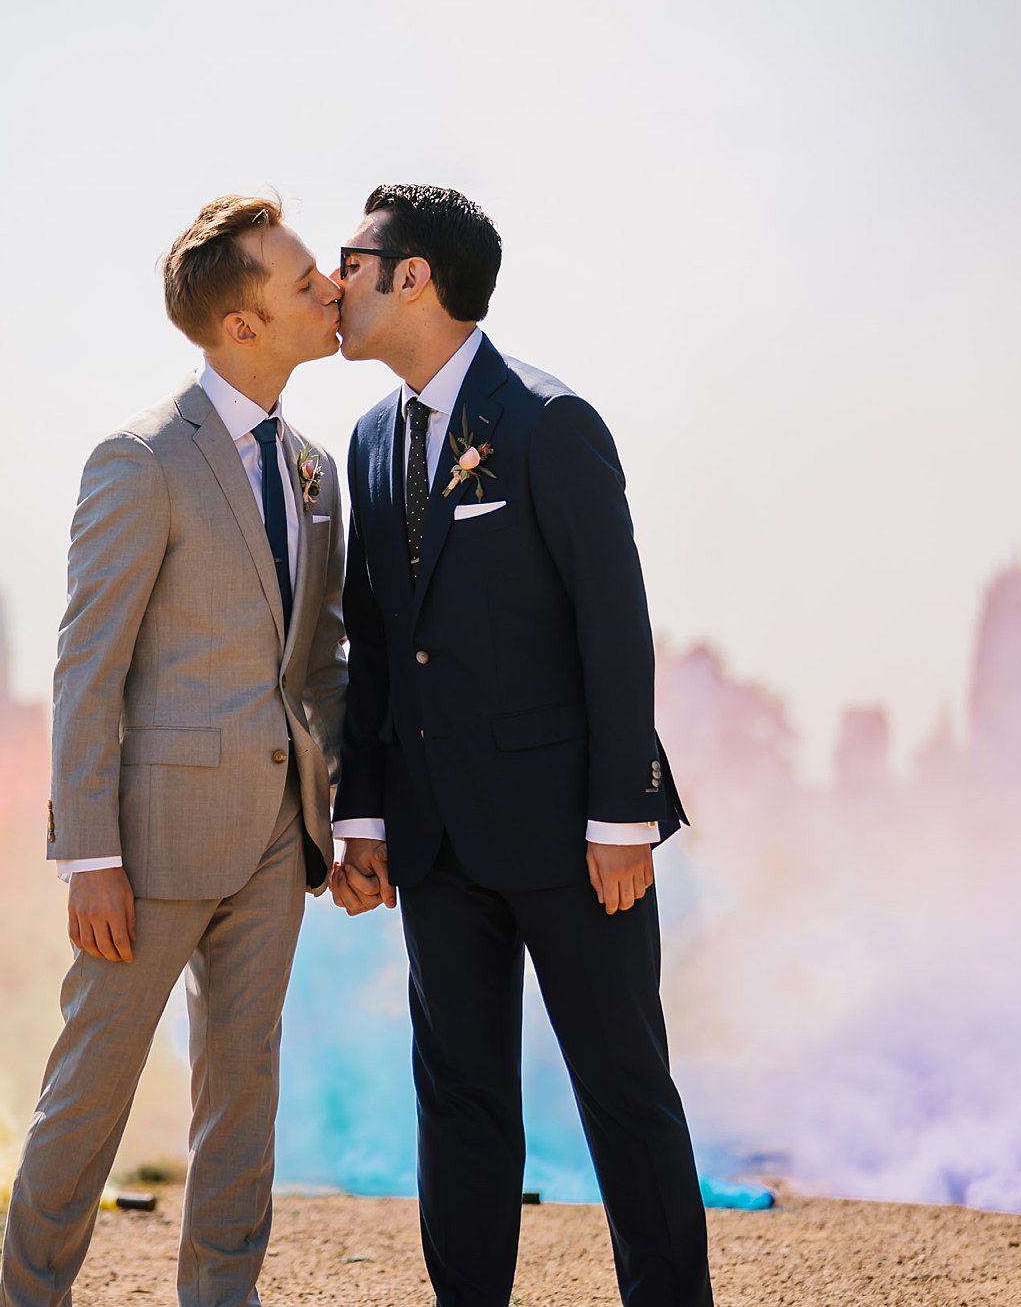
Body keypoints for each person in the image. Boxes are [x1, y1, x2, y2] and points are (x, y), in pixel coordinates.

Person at [328, 184, 712, 1306]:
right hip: (435, 841)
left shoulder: (549, 422)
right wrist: (364, 813)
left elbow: (613, 626)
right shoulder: (367, 438)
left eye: (353, 259)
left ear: (414, 277)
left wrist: (619, 817)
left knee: (624, 1092)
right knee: (456, 1100)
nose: (333, 283)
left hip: (573, 837)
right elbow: (374, 637)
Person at [0, 194, 347, 1306]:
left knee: (243, 1091)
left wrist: (341, 812)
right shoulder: (139, 458)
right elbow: (84, 664)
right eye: (303, 282)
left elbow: (319, 661)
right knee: (89, 1089)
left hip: (274, 842)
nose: (329, 289)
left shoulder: (313, 470)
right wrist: (85, 851)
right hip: (144, 851)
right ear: (240, 323)